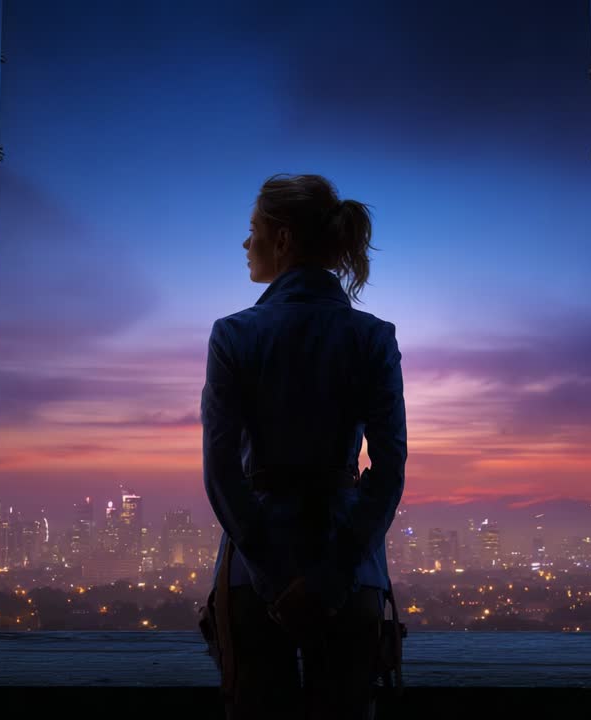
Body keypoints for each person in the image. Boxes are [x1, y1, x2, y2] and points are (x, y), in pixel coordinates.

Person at [201, 173, 408, 719]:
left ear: (284, 239)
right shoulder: (373, 336)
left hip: (255, 570)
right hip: (349, 568)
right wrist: (336, 575)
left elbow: (221, 470)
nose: (246, 244)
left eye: (253, 231)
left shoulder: (234, 335)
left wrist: (273, 579)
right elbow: (388, 470)